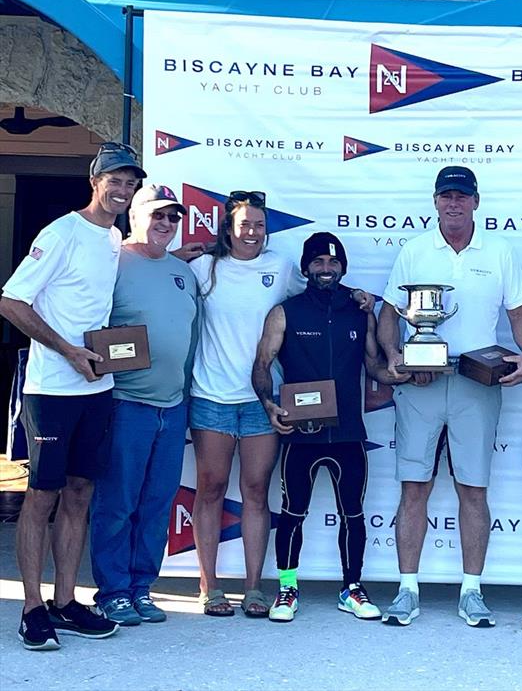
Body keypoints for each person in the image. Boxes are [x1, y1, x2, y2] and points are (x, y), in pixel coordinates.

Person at [189, 192, 373, 617]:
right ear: (228, 228)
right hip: (212, 395)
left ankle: (256, 589)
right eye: (243, 224)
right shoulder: (202, 268)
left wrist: (363, 298)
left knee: (256, 492)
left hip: (266, 405)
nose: (251, 232)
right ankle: (210, 586)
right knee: (212, 488)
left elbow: (326, 297)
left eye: (258, 225)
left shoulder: (281, 268)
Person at [377, 166, 522, 628]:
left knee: (474, 489)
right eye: (446, 196)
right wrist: (395, 357)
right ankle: (407, 589)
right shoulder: (414, 251)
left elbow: (520, 314)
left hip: (476, 385)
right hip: (422, 386)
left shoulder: (500, 251)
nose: (454, 204)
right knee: (415, 488)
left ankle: (472, 590)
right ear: (435, 202)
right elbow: (389, 313)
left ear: (476, 202)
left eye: (462, 197)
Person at [0, 142, 146, 650]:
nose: (123, 190)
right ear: (95, 181)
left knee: (81, 493)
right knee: (41, 497)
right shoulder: (60, 232)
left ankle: (65, 602)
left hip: (99, 387)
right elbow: (11, 301)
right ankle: (32, 608)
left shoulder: (113, 239)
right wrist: (67, 350)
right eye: (115, 180)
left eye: (131, 183)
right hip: (53, 389)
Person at [252, 232, 400, 622]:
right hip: (301, 433)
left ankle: (352, 587)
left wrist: (398, 374)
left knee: (353, 513)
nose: (326, 269)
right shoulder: (285, 312)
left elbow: (373, 365)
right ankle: (287, 589)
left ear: (343, 267)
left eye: (333, 262)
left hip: (349, 432)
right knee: (292, 512)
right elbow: (262, 364)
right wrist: (269, 406)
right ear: (306, 268)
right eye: (317, 262)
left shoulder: (359, 309)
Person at [89, 184, 198, 626]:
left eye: (173, 218)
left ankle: (140, 588)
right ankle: (112, 591)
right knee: (117, 503)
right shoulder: (112, 262)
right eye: (158, 216)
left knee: (156, 504)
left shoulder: (184, 272)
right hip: (125, 403)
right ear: (135, 215)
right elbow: (89, 322)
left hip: (172, 408)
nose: (166, 224)